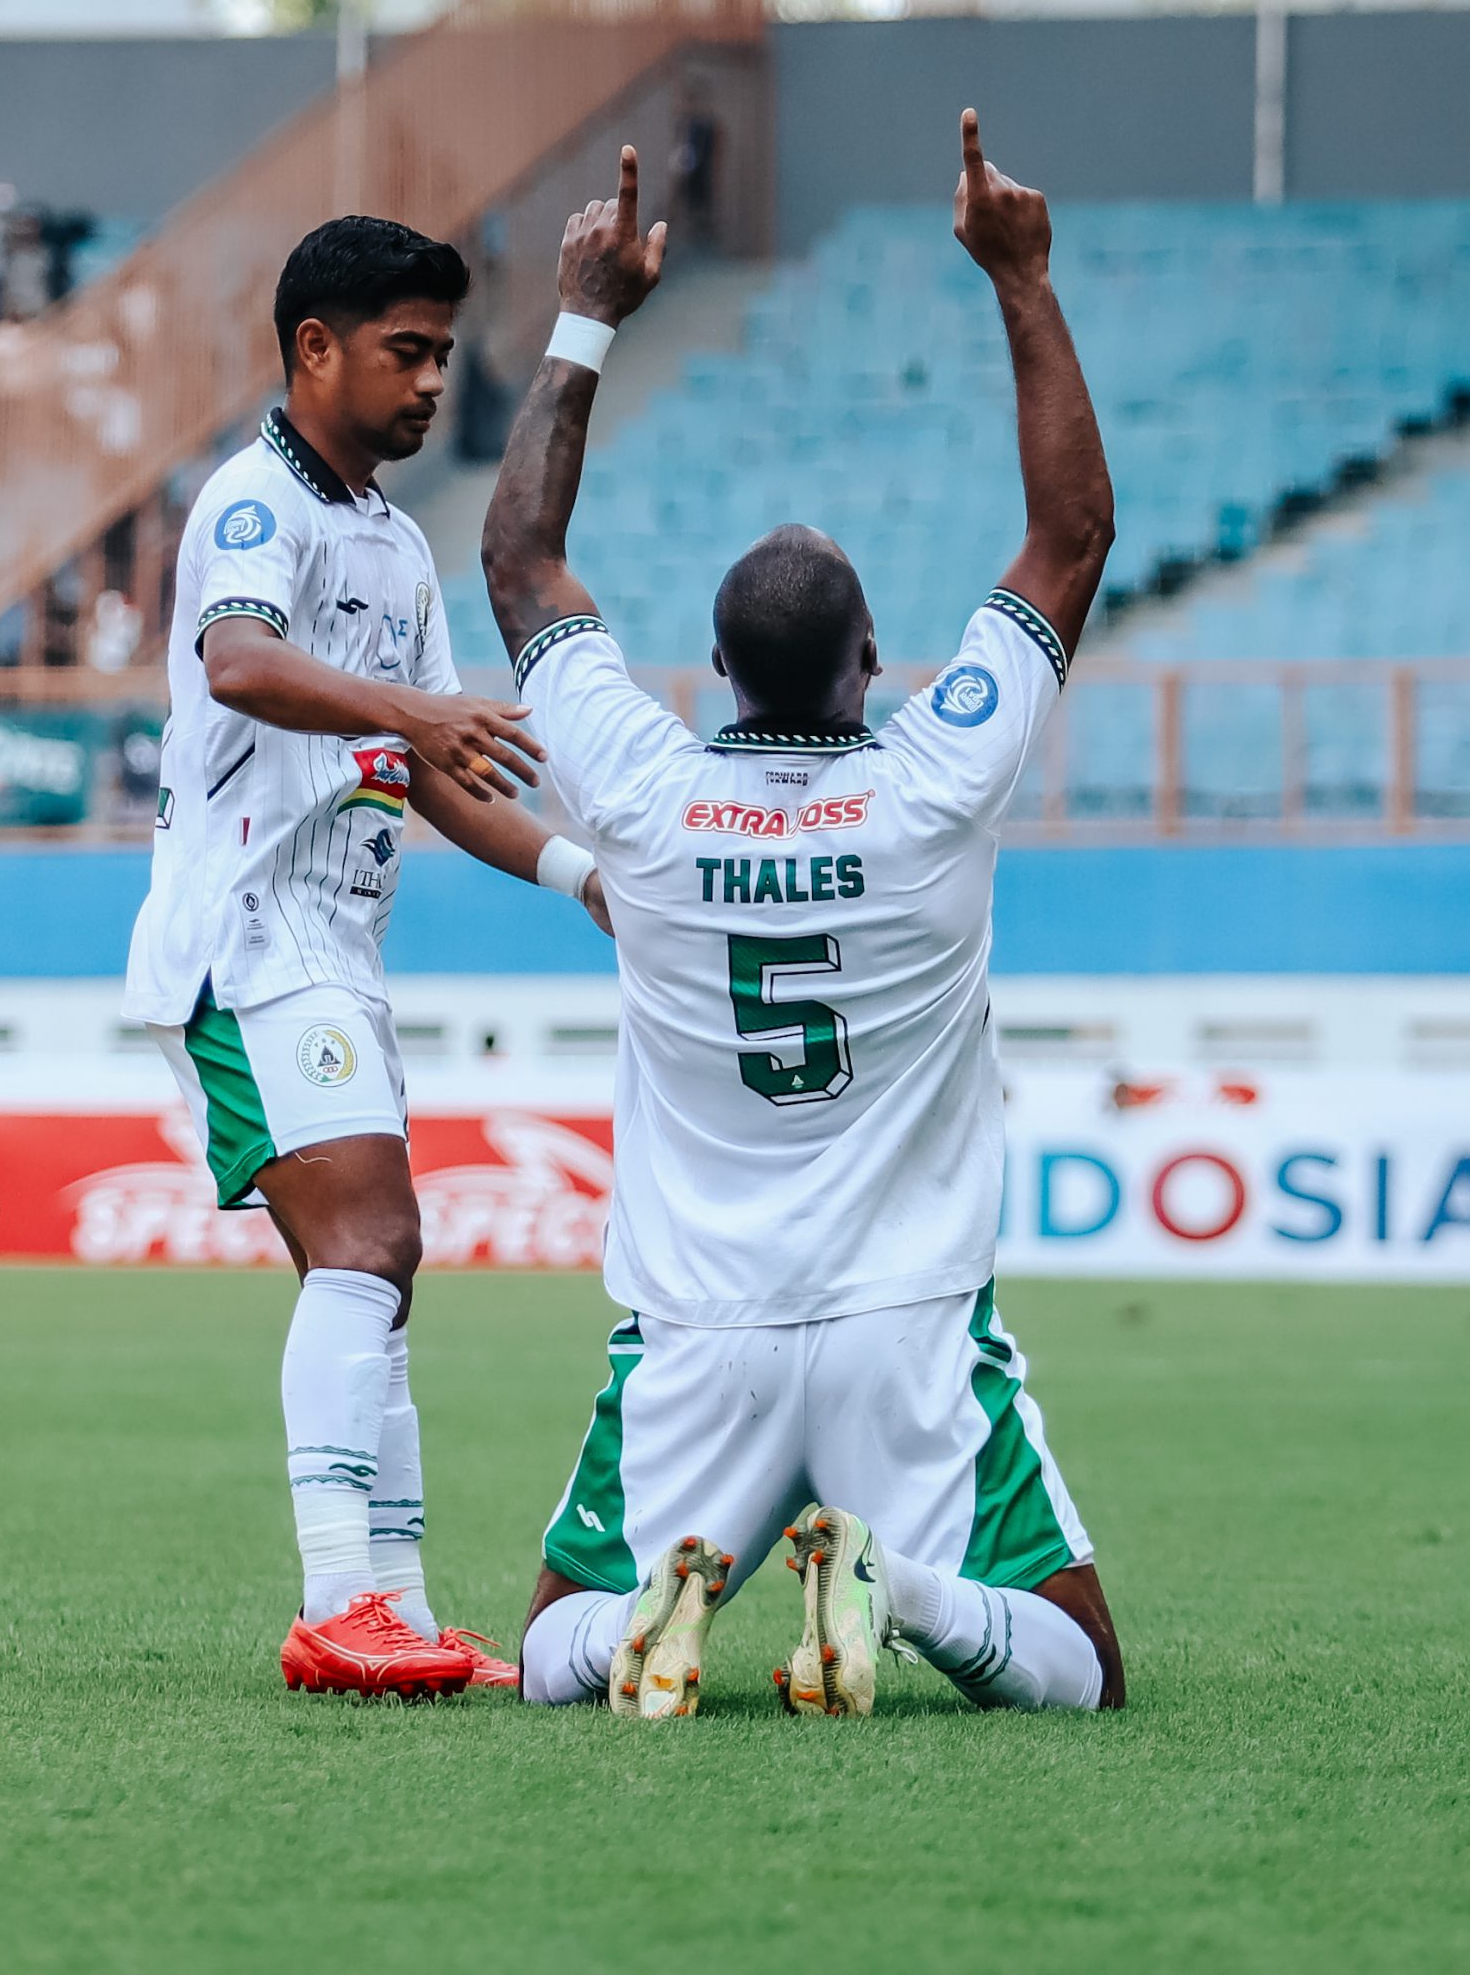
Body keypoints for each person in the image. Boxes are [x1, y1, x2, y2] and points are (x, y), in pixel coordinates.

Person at [482, 118, 1125, 1723]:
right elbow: (1070, 541)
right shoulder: (933, 783)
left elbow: (519, 558)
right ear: (871, 666)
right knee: (1079, 1667)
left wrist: (588, 313)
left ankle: (662, 1611)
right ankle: (903, 1593)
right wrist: (1022, 279)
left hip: (700, 1322)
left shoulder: (641, 788)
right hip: (907, 1326)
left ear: (714, 677)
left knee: (551, 1642)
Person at [122, 213, 612, 1703]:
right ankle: (341, 1601)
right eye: (407, 352)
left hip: (336, 946)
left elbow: (445, 772)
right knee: (372, 1247)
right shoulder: (255, 505)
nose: (429, 383)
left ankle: (389, 1604)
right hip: (251, 937)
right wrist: (411, 717)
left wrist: (587, 879)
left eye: (446, 356)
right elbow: (241, 664)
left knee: (379, 1272)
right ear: (315, 348)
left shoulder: (395, 543)